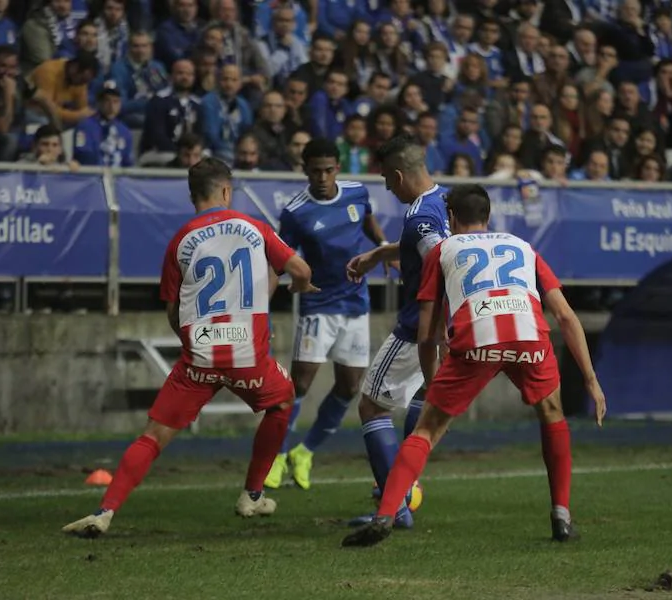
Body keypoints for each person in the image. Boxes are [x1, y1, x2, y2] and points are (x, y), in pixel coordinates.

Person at [62, 158, 318, 538]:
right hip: (247, 354)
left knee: (151, 436)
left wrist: (194, 346)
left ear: (192, 195)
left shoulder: (180, 240)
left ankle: (104, 512)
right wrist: (295, 287)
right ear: (227, 191)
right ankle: (252, 494)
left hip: (199, 354)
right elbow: (301, 270)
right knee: (282, 402)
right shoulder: (254, 227)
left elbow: (172, 309)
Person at [342, 184, 607, 548]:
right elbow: (564, 314)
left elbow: (427, 332)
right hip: (528, 335)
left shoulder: (443, 249)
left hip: (478, 338)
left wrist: (434, 386)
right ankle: (561, 516)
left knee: (426, 431)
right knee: (552, 414)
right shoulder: (522, 246)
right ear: (489, 216)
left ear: (450, 217)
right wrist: (591, 379)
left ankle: (386, 516)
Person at [264, 137, 390, 490]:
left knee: (351, 386)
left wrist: (381, 248)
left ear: (338, 168)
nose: (322, 177)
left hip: (355, 302)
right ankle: (274, 456)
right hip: (317, 303)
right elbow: (280, 258)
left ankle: (305, 452)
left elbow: (367, 221)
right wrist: (264, 304)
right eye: (315, 170)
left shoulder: (356, 193)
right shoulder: (295, 211)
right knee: (300, 383)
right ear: (305, 170)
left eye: (328, 170)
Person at [344, 135, 450, 528]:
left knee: (371, 406)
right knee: (425, 396)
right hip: (448, 327)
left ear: (399, 175)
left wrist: (435, 327)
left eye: (388, 180)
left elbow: (441, 261)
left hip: (416, 327)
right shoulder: (446, 202)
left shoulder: (420, 216)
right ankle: (405, 490)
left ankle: (395, 507)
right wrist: (380, 254)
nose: (388, 188)